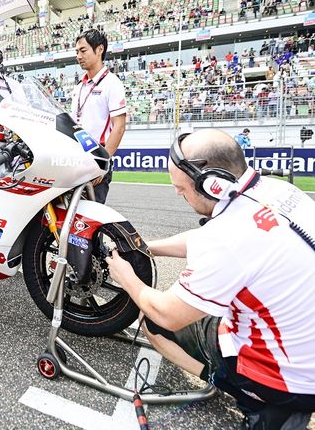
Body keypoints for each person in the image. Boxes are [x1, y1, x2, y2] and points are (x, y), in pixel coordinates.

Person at [106, 129, 315, 429]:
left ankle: (242, 390)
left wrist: (127, 279)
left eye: (182, 188)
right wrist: (146, 246)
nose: (178, 193)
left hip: (288, 378)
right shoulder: (277, 191)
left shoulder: (229, 236)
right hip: (304, 348)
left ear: (212, 183)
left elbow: (169, 313)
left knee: (153, 319)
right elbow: (204, 238)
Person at [69, 29, 127, 203]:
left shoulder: (112, 83)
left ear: (99, 49)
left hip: (97, 158)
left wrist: (102, 163)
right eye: (77, 52)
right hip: (75, 160)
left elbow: (120, 127)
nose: (79, 55)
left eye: (83, 50)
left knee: (91, 218)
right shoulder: (79, 86)